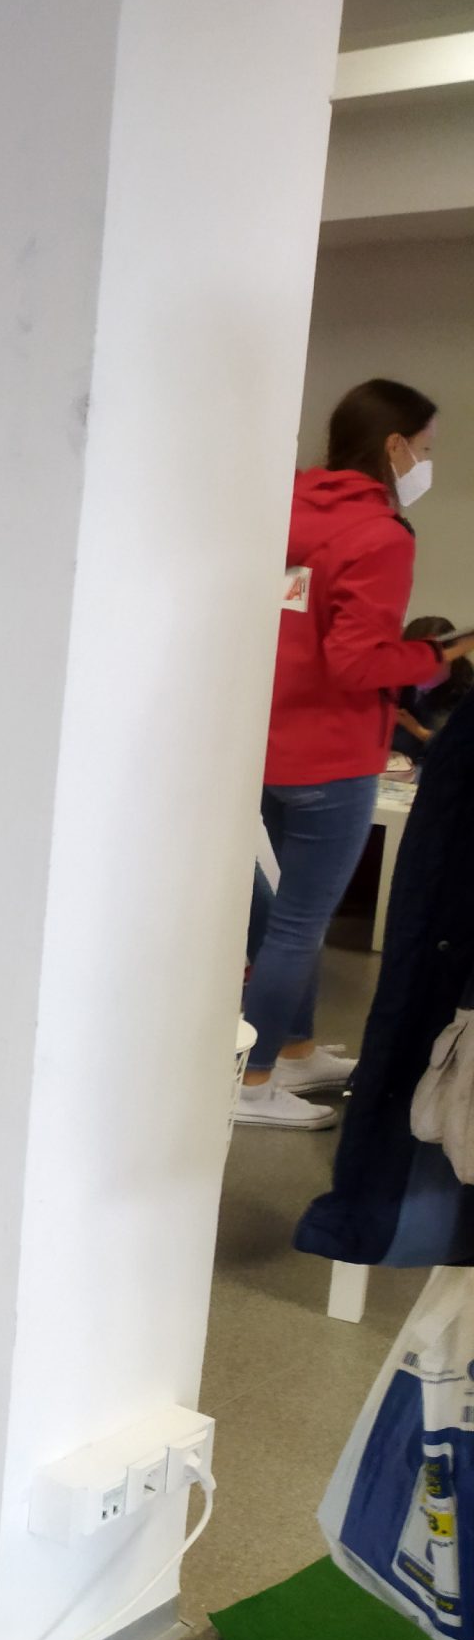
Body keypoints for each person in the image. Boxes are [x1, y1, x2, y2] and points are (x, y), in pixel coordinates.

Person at [246, 379, 474, 1130]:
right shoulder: (380, 534)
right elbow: (357, 662)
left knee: (289, 916)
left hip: (268, 743)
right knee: (300, 926)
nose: (425, 464)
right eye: (425, 449)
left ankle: (296, 1050)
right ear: (394, 446)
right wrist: (436, 658)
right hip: (333, 754)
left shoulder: (287, 506)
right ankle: (252, 1081)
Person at [394, 615, 472, 763]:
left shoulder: (465, 694)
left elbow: (459, 753)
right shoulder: (402, 683)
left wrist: (418, 731)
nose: (421, 669)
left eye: (430, 658)